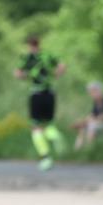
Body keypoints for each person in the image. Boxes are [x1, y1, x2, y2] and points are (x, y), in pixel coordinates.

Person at [14, 36, 66, 171]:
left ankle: (45, 157)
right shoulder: (48, 55)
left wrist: (26, 76)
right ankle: (55, 137)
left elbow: (18, 73)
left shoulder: (27, 58)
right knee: (49, 123)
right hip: (50, 93)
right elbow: (62, 66)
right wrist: (55, 75)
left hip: (36, 93)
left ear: (29, 45)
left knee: (36, 127)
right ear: (39, 44)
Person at [73, 81, 103, 149]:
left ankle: (89, 148)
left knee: (92, 126)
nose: (91, 94)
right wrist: (83, 122)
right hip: (99, 123)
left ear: (99, 91)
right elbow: (92, 115)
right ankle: (78, 149)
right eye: (90, 92)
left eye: (93, 92)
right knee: (82, 128)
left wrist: (90, 121)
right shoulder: (96, 103)